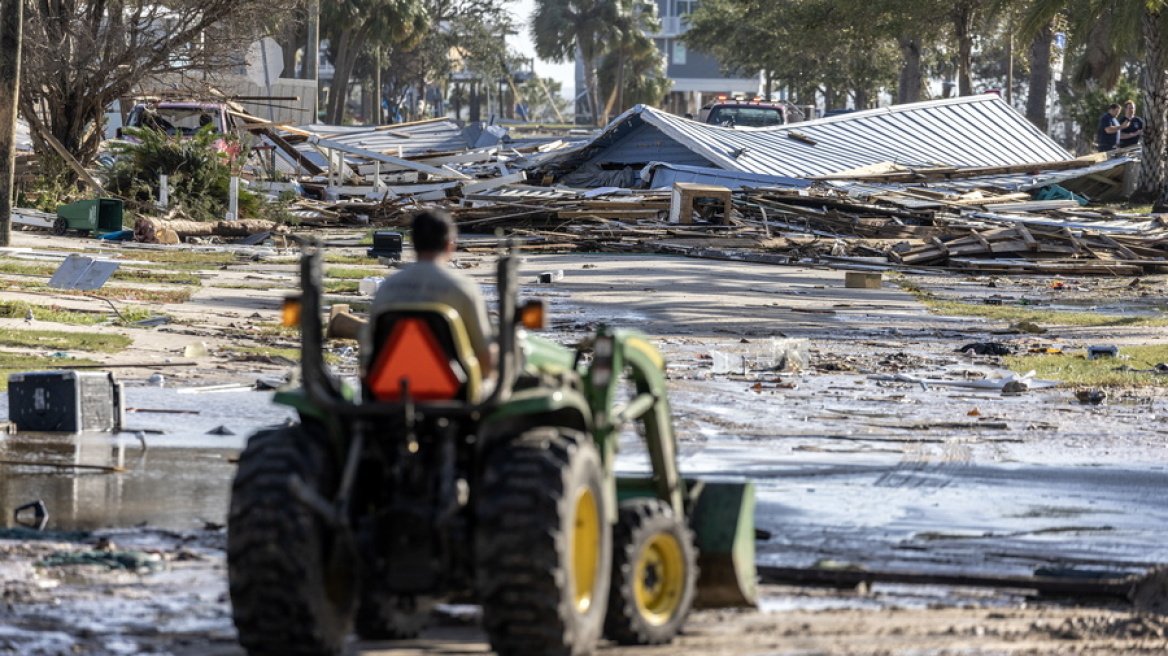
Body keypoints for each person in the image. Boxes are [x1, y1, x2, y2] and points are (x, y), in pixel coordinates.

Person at [369, 209, 495, 379]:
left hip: (392, 392)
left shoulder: (387, 287)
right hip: (454, 395)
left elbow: (369, 351)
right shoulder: (463, 287)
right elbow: (484, 357)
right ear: (451, 245)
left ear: (413, 243)